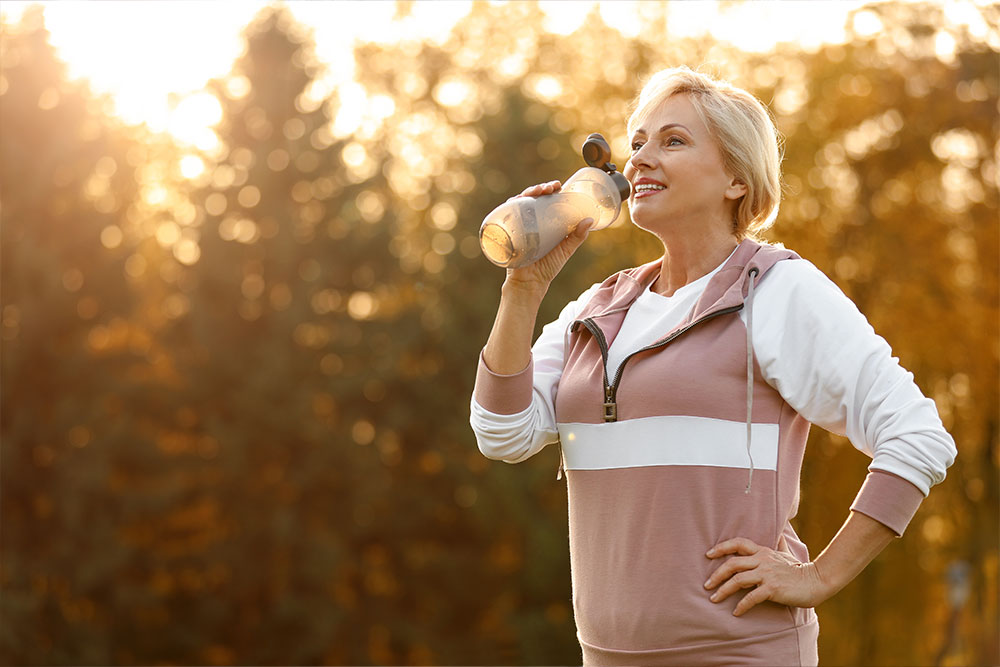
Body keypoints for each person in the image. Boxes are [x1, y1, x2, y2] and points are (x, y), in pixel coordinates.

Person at [468, 66, 957, 666]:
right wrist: (523, 289)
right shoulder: (597, 309)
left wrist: (820, 576)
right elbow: (502, 433)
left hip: (740, 654)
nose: (642, 158)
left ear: (735, 178)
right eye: (638, 142)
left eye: (673, 141)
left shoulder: (777, 290)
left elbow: (918, 436)